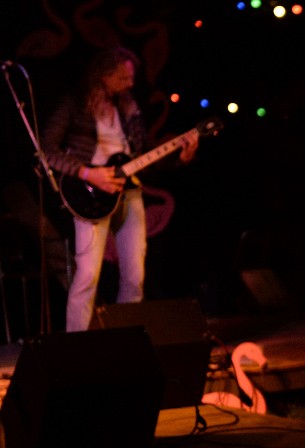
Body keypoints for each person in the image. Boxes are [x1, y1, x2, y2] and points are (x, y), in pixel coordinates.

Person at [42, 45, 199, 332]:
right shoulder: (75, 104)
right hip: (90, 196)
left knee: (134, 276)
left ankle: (128, 337)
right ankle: (76, 343)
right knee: (88, 274)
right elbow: (47, 150)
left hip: (130, 192)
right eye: (123, 78)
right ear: (103, 75)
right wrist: (87, 173)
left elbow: (145, 157)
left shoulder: (129, 106)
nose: (130, 84)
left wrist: (180, 157)